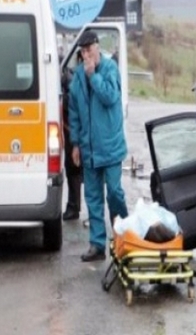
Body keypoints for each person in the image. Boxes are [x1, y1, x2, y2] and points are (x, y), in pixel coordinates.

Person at [68, 30, 129, 262]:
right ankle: (97, 245)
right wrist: (75, 144)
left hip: (111, 147)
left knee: (114, 192)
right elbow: (73, 112)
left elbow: (111, 97)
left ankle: (123, 237)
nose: (86, 55)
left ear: (97, 47)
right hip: (89, 149)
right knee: (93, 198)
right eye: (82, 51)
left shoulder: (109, 69)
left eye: (89, 49)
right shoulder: (77, 79)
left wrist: (94, 76)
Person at [62, 57, 83, 221]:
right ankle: (74, 206)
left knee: (73, 170)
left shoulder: (73, 86)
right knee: (75, 171)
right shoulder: (77, 79)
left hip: (73, 134)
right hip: (73, 133)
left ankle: (73, 207)